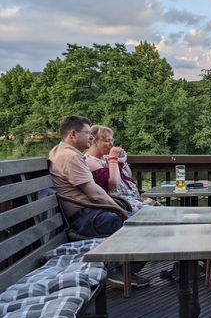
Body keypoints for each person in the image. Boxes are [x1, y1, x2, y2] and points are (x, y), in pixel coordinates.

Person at [48, 116, 149, 287]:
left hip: (88, 213)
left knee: (138, 218)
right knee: (141, 223)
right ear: (73, 134)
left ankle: (124, 269)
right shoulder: (71, 157)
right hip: (85, 218)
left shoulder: (59, 152)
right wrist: (121, 209)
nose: (91, 137)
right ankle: (123, 272)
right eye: (87, 133)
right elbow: (94, 194)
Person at [84, 125, 155, 213]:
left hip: (132, 198)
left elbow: (128, 175)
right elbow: (113, 183)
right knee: (155, 212)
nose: (111, 144)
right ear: (94, 141)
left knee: (159, 207)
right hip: (119, 204)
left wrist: (122, 160)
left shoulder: (106, 158)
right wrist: (113, 158)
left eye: (111, 140)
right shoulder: (89, 161)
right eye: (107, 141)